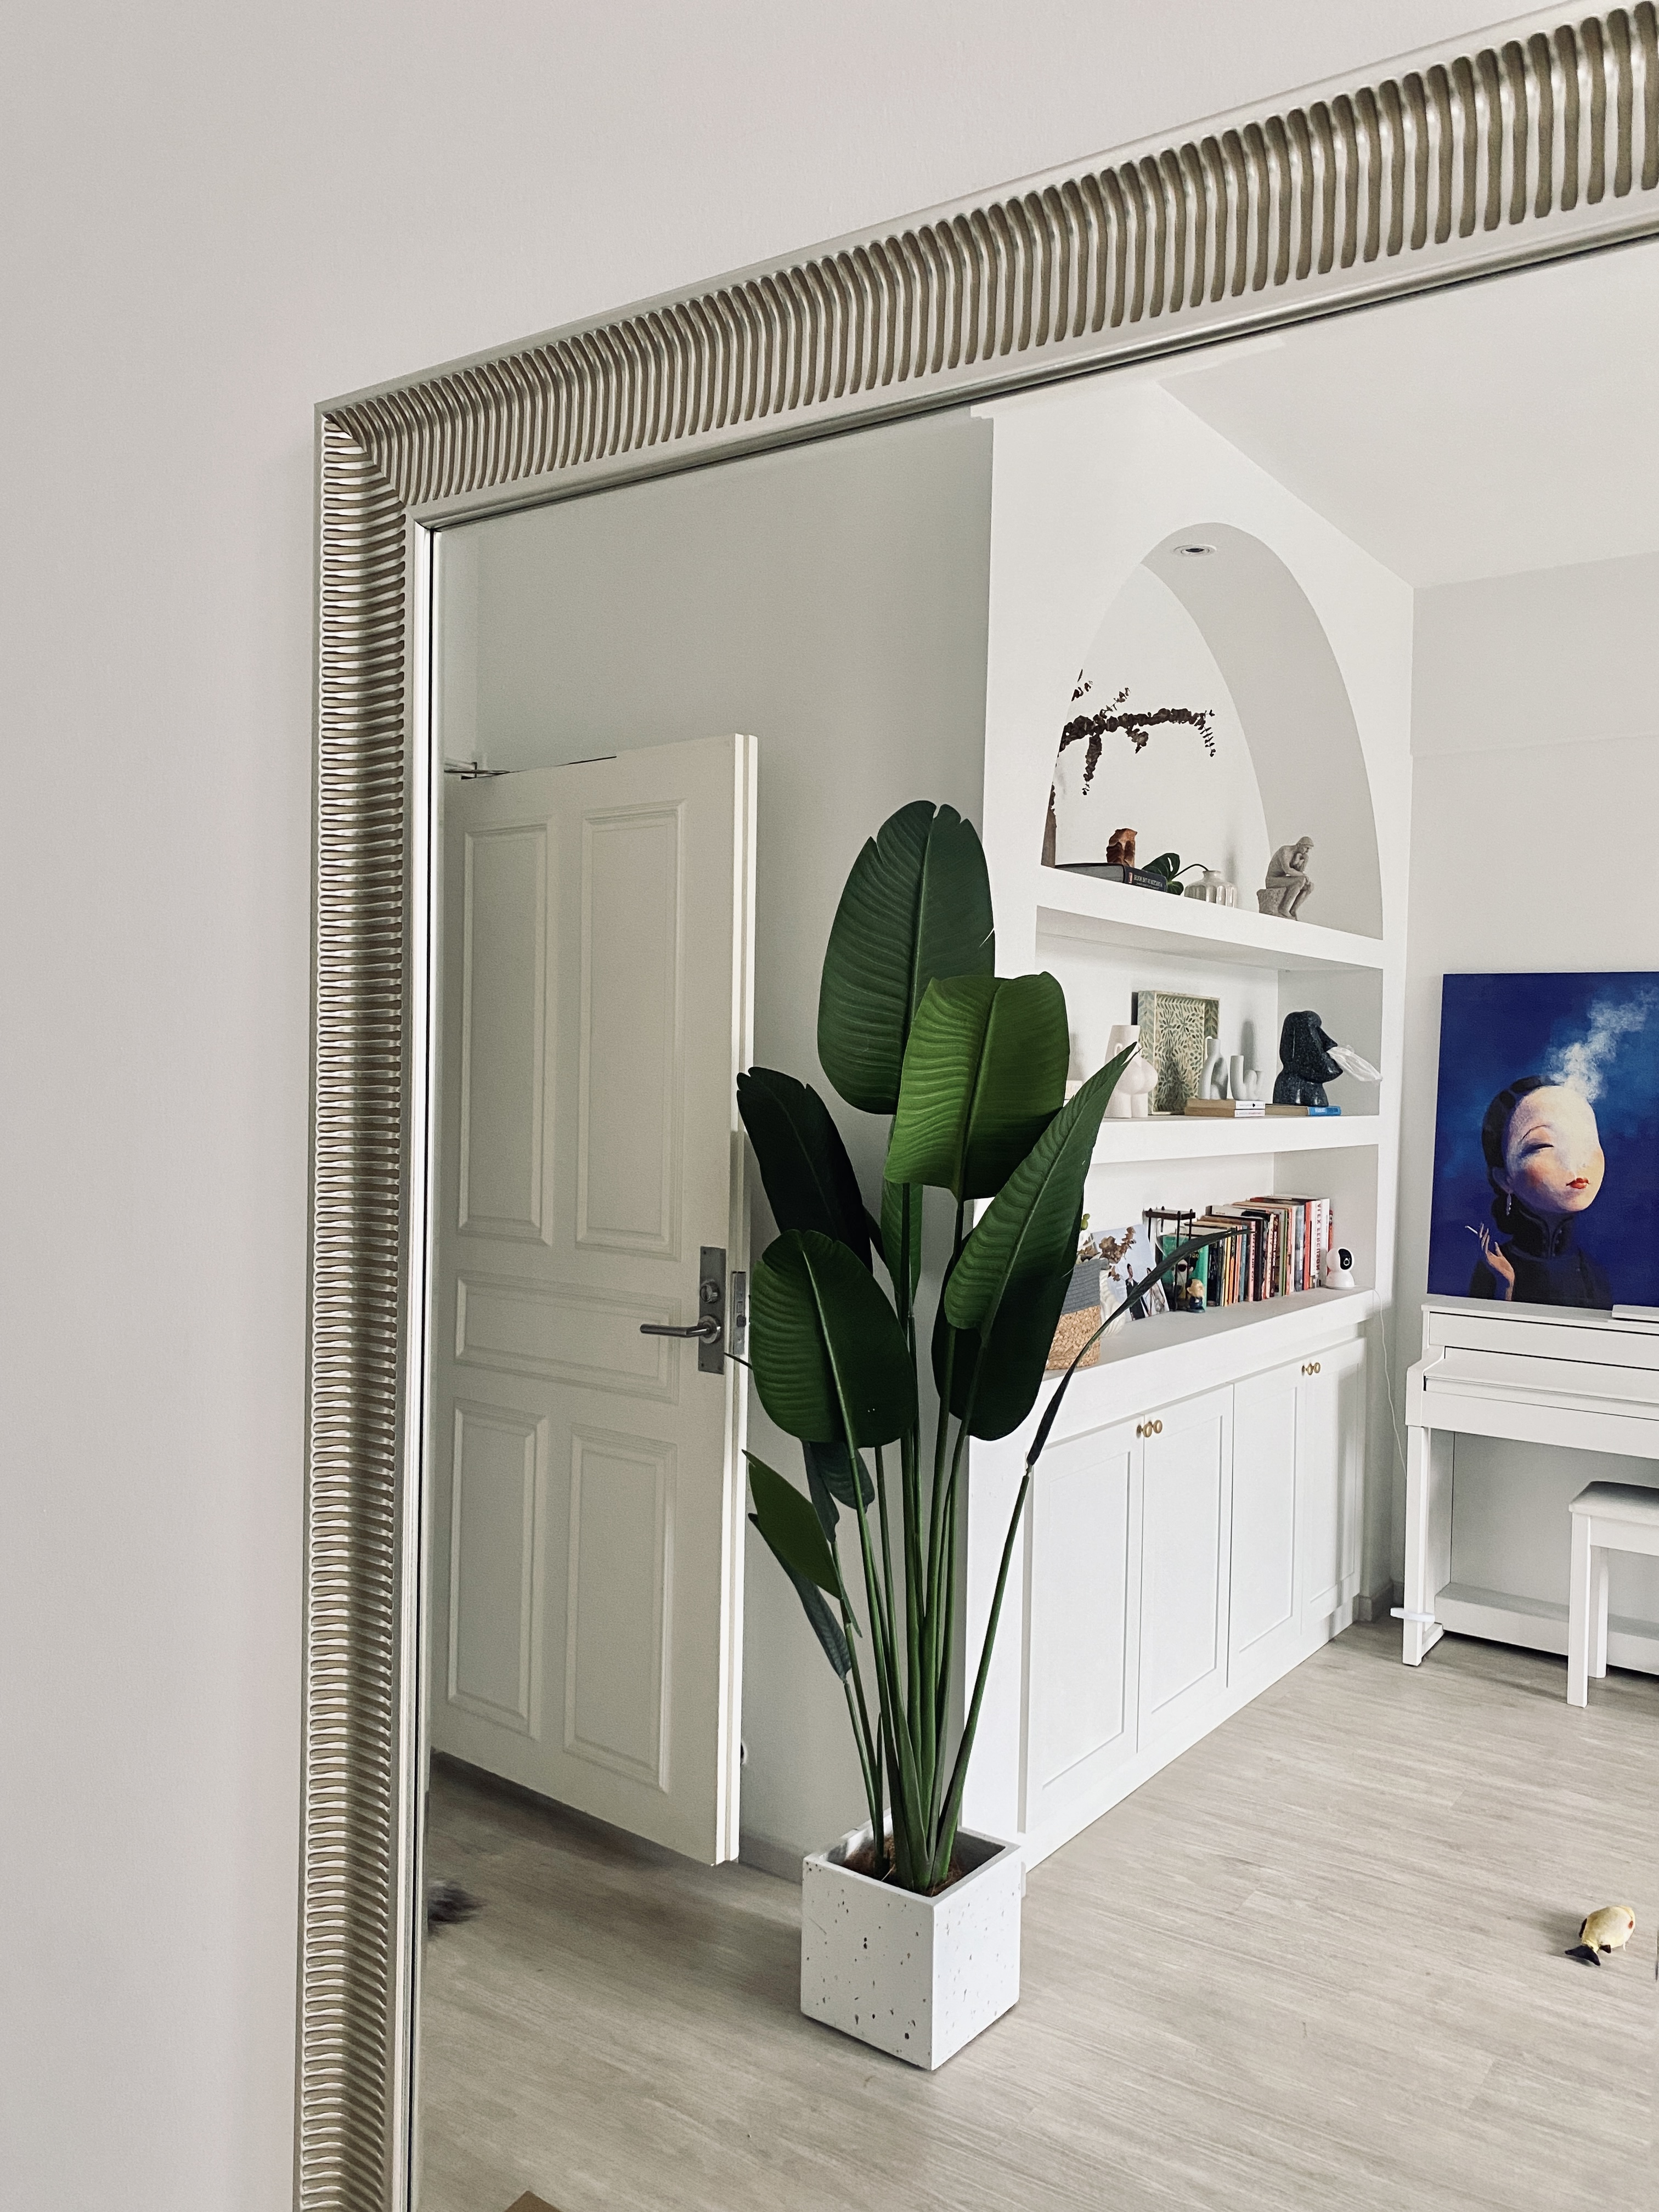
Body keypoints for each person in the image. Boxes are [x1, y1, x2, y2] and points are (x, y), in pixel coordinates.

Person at [1468, 1075, 1612, 1307]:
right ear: (1505, 1178)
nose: (1574, 1159)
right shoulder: (1494, 1266)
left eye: (1586, 1141)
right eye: (1543, 1145)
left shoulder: (1595, 1272)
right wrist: (1505, 1288)